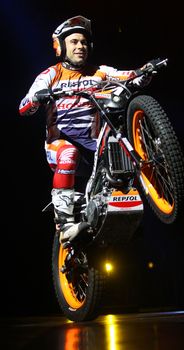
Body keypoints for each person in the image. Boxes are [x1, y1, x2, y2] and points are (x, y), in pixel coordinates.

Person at [19, 15, 152, 246]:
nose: (80, 46)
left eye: (83, 42)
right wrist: (37, 98)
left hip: (94, 145)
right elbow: (23, 106)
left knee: (120, 147)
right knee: (68, 154)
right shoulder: (51, 74)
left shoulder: (98, 72)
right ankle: (64, 219)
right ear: (60, 46)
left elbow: (126, 77)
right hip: (59, 144)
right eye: (74, 42)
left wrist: (145, 71)